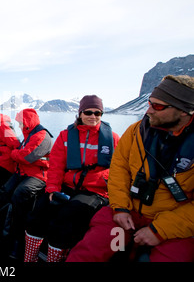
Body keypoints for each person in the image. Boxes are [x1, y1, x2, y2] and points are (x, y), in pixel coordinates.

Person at [67, 75, 194, 262]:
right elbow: (119, 169)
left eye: (157, 106)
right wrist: (120, 208)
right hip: (128, 213)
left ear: (184, 111)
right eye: (150, 102)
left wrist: (160, 230)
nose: (148, 110)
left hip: (174, 225)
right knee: (89, 254)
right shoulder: (136, 132)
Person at [23, 95, 120, 262]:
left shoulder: (113, 139)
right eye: (88, 112)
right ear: (80, 113)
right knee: (38, 213)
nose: (93, 116)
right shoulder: (65, 136)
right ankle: (29, 259)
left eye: (98, 113)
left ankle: (54, 259)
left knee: (65, 220)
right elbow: (56, 166)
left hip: (94, 191)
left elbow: (120, 169)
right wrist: (53, 189)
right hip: (68, 186)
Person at [0, 108, 53, 260]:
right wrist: (17, 154)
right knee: (4, 191)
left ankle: (19, 235)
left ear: (28, 122)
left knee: (20, 193)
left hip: (38, 176)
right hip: (24, 172)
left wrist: (14, 154)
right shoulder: (29, 135)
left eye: (21, 123)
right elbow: (23, 154)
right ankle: (2, 232)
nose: (19, 126)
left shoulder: (42, 135)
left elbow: (26, 156)